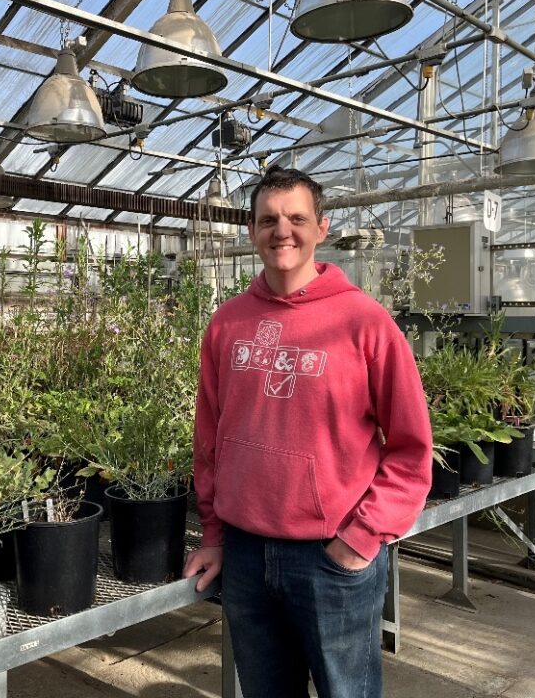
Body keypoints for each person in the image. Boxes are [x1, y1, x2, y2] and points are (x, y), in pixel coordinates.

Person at [182, 165, 432, 698]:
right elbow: (210, 441)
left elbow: (412, 449)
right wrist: (215, 535)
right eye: (268, 219)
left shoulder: (364, 322)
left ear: (321, 228)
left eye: (296, 217)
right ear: (251, 232)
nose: (282, 231)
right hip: (246, 556)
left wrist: (362, 539)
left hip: (330, 557)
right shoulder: (227, 324)